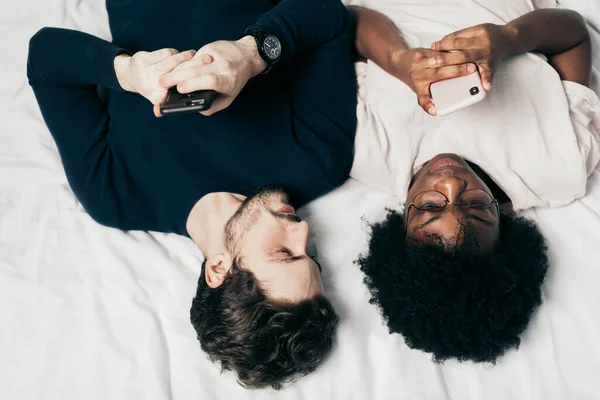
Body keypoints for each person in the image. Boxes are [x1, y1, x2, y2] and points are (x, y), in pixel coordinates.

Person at [26, 0, 359, 389]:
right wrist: (252, 53)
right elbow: (329, 17)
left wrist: (125, 72)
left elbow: (45, 58)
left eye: (284, 253)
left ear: (218, 268)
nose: (302, 231)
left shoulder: (115, 195)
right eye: (311, 256)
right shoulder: (319, 161)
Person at [349, 4, 600, 363]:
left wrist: (398, 60)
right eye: (477, 207)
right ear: (504, 220)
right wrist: (509, 38)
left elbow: (349, 23)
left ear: (401, 220)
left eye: (431, 207)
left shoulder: (368, 153)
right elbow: (573, 36)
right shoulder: (559, 169)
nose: (452, 184)